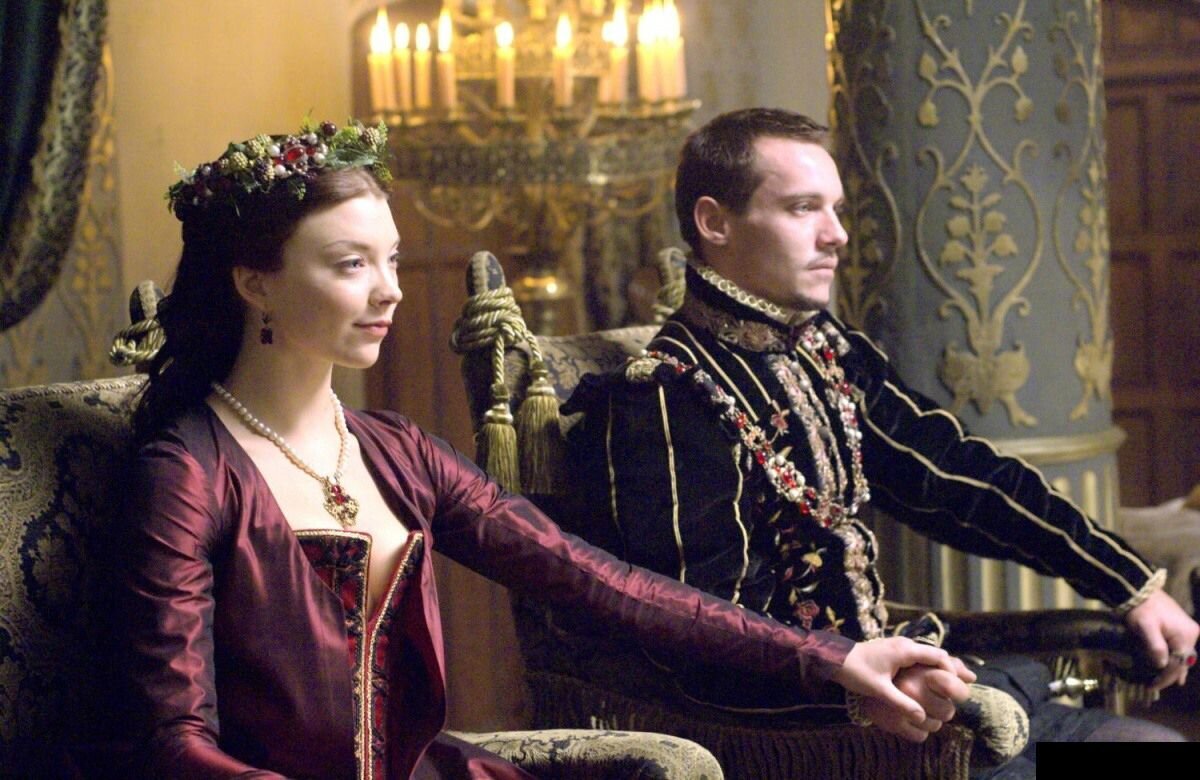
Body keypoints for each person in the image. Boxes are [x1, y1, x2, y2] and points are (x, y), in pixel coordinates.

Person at [116, 119, 976, 780]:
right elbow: (176, 743)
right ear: (254, 281)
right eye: (350, 265)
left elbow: (603, 584)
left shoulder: (396, 452)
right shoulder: (189, 470)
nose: (389, 292)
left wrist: (838, 660)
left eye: (394, 260)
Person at [562, 108, 1200, 768]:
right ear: (714, 223)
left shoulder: (823, 349)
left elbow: (954, 478)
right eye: (803, 208)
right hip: (815, 732)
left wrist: (1128, 582)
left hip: (917, 693)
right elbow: (704, 634)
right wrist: (864, 688)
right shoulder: (668, 397)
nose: (836, 234)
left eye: (835, 209)